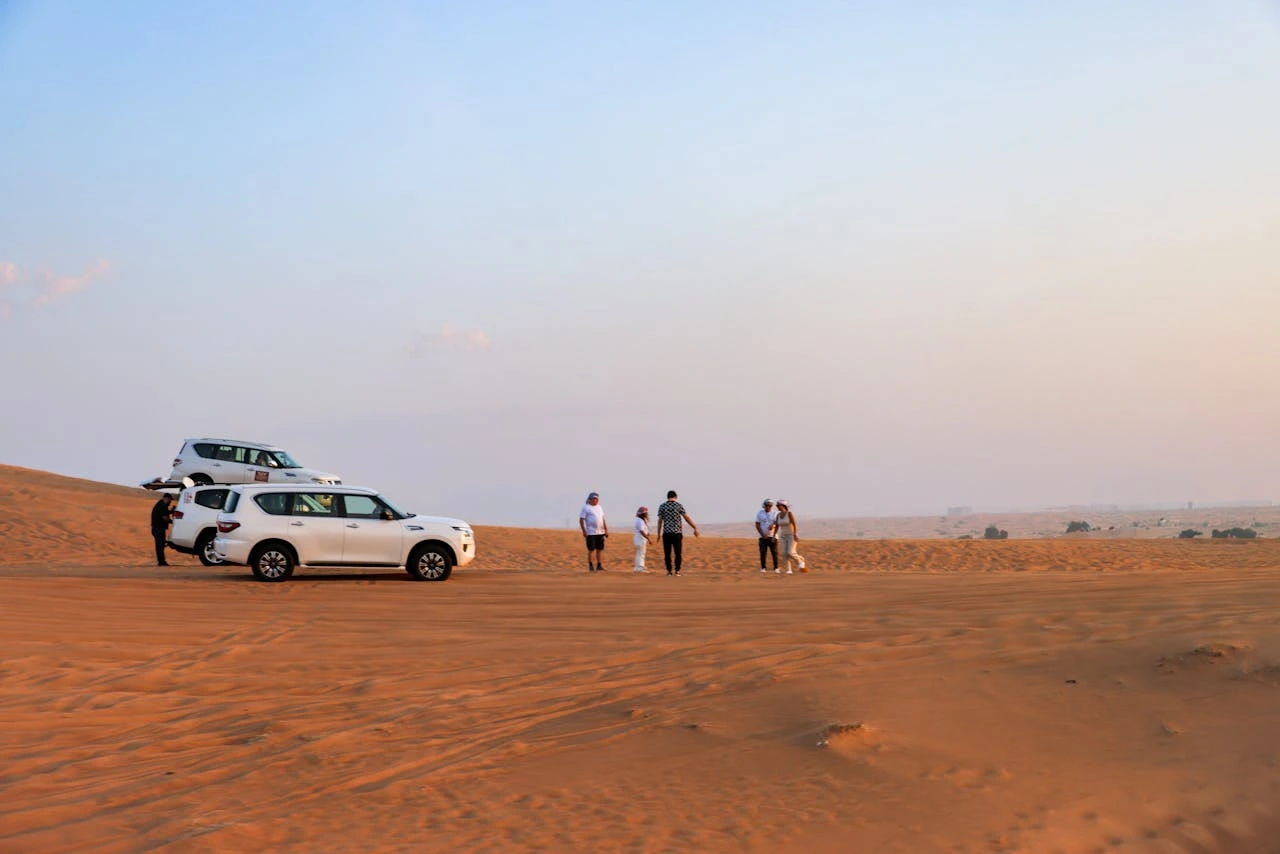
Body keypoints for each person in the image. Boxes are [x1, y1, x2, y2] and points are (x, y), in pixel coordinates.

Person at [656, 490, 699, 576]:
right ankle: (677, 571)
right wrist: (694, 527)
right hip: (677, 533)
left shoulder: (662, 506)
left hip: (666, 533)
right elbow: (686, 518)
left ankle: (669, 571)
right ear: (676, 497)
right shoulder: (678, 505)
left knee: (667, 553)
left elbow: (660, 521)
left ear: (667, 497)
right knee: (678, 553)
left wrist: (658, 534)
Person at [579, 491, 608, 572]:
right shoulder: (586, 507)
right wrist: (584, 530)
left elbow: (602, 518)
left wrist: (606, 529)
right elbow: (581, 519)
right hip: (591, 532)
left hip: (600, 532)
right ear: (590, 499)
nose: (596, 500)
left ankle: (599, 565)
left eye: (597, 499)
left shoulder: (599, 507)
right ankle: (591, 566)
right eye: (594, 499)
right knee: (591, 550)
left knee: (600, 549)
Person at [775, 499, 806, 574]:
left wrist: (795, 534)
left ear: (783, 506)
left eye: (778, 505)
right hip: (782, 536)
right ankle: (788, 570)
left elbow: (794, 524)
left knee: (790, 552)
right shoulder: (778, 515)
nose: (777, 507)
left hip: (791, 535)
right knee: (784, 553)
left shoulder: (789, 514)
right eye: (777, 505)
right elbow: (777, 526)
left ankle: (800, 560)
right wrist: (773, 535)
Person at [151, 493, 174, 566]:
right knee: (160, 546)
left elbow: (165, 513)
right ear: (166, 498)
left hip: (157, 528)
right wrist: (173, 522)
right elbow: (165, 518)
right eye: (170, 500)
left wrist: (171, 511)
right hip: (158, 529)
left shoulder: (160, 504)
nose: (170, 502)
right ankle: (161, 562)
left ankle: (161, 561)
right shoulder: (162, 506)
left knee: (160, 545)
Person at [756, 498, 779, 573]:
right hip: (762, 537)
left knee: (774, 553)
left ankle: (776, 568)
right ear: (764, 505)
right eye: (767, 505)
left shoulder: (775, 513)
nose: (768, 507)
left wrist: (773, 526)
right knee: (763, 553)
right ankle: (763, 568)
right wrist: (762, 534)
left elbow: (777, 523)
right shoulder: (760, 513)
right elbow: (757, 524)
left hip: (773, 536)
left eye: (770, 506)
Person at [633, 506, 652, 573]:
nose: (647, 514)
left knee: (639, 553)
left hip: (639, 538)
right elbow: (641, 531)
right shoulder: (640, 521)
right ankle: (640, 568)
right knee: (641, 553)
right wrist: (648, 538)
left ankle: (638, 567)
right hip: (640, 538)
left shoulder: (639, 520)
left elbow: (643, 529)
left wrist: (647, 533)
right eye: (646, 512)